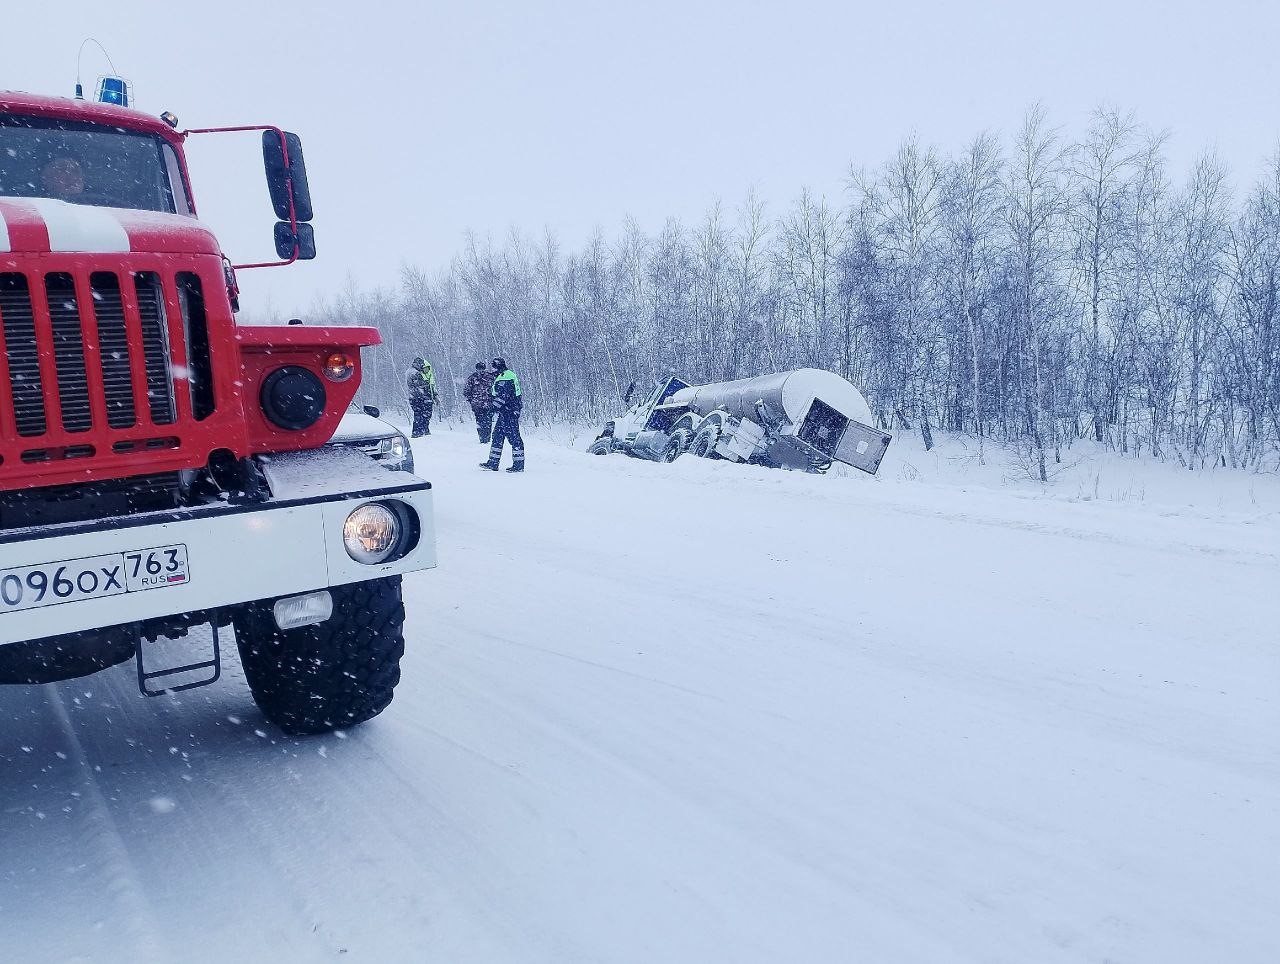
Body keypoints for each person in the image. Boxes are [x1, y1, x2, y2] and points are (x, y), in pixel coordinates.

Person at [480, 357, 524, 473]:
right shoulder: (503, 376)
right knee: (497, 436)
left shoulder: (506, 377)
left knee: (514, 437)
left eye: (493, 367)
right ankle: (493, 463)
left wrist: (491, 409)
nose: (492, 369)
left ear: (497, 367)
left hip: (510, 412)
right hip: (505, 412)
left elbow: (502, 397)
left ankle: (518, 465)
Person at [405, 356, 438, 438]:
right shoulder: (415, 373)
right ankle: (417, 432)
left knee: (418, 414)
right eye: (421, 365)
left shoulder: (409, 372)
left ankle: (419, 431)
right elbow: (420, 385)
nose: (422, 367)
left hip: (414, 397)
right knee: (419, 415)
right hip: (418, 397)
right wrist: (426, 386)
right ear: (417, 364)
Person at [463, 361, 496, 443]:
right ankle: (482, 438)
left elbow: (495, 389)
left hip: (488, 404)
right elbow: (466, 391)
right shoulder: (472, 378)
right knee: (480, 422)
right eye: (479, 369)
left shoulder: (490, 377)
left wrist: (493, 399)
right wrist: (471, 400)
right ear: (476, 369)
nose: (481, 371)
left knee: (488, 422)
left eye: (482, 369)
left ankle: (487, 439)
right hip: (477, 405)